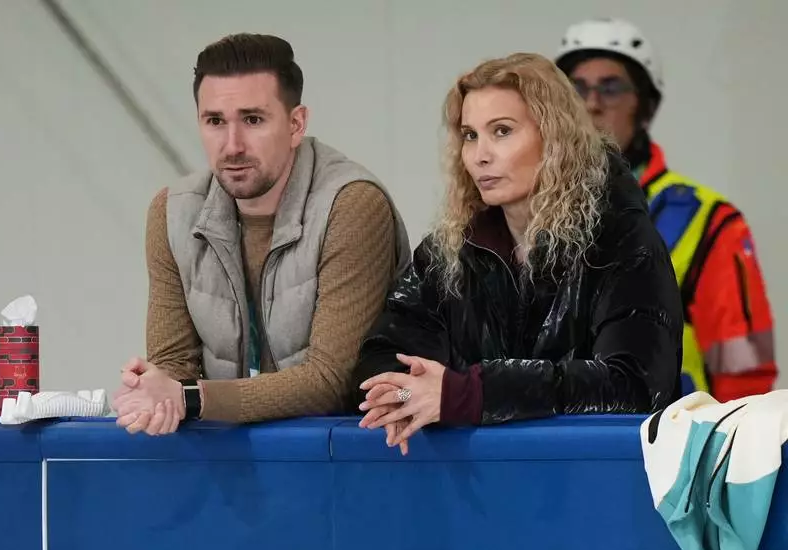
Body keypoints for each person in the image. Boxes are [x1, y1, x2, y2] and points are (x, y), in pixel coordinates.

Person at [351, 53, 682, 453]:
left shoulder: (621, 239)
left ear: (555, 139)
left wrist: (469, 393)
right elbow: (383, 357)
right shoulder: (450, 249)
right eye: (470, 135)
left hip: (594, 486)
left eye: (502, 131)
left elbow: (634, 385)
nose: (479, 155)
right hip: (484, 489)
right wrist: (403, 395)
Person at [111, 33, 410, 434]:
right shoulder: (172, 212)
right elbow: (174, 368)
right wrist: (151, 389)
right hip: (232, 465)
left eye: (253, 120)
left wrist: (190, 398)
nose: (232, 145)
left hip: (345, 462)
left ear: (296, 123)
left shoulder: (352, 205)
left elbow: (331, 382)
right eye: (215, 121)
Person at [556, 18, 776, 402]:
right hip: (552, 450)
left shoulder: (709, 222)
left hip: (672, 448)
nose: (591, 103)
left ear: (643, 105)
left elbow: (745, 374)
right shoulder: (521, 212)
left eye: (611, 88)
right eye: (576, 88)